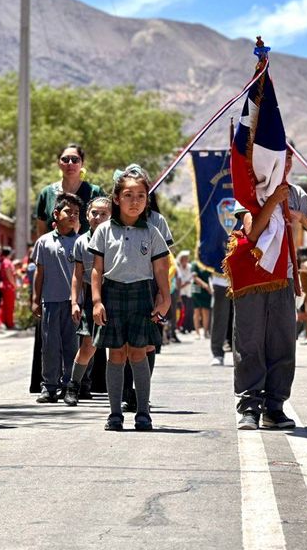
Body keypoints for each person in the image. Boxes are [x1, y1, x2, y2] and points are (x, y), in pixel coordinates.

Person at [230, 165, 307, 431]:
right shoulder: (250, 193)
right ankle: (249, 407)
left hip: (284, 277)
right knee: (250, 342)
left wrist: (301, 219)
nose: (280, 164)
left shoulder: (297, 194)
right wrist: (272, 202)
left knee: (282, 343)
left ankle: (275, 407)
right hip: (254, 279)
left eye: (285, 158)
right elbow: (252, 233)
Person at [90, 168, 171, 431]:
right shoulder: (103, 230)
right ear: (116, 198)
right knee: (115, 353)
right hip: (112, 294)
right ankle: (114, 414)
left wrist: (165, 299)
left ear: (147, 199)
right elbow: (96, 269)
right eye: (128, 195)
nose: (134, 201)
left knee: (138, 352)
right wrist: (96, 301)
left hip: (141, 295)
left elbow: (160, 269)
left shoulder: (152, 232)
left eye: (140, 195)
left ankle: (143, 412)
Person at [32, 192, 83, 404]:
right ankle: (49, 387)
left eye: (76, 213)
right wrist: (36, 298)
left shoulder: (81, 242)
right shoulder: (43, 242)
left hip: (73, 304)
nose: (72, 216)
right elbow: (39, 272)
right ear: (56, 214)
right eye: (68, 211)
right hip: (50, 301)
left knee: (72, 346)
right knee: (50, 345)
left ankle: (69, 386)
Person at [65, 196, 112, 405]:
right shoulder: (81, 242)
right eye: (94, 213)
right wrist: (74, 301)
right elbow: (77, 274)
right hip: (90, 299)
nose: (98, 217)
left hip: (115, 295)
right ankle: (73, 386)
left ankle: (126, 391)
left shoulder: (116, 239)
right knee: (87, 346)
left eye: (104, 213)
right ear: (87, 215)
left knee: (123, 348)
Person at [191, 260, 213, 340]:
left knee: (206, 311)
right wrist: (205, 285)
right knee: (197, 311)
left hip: (207, 291)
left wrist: (209, 287)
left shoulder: (209, 263)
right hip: (197, 290)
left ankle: (205, 332)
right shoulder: (195, 264)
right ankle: (197, 333)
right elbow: (194, 277)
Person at [0, 246, 17, 330]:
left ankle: (3, 322)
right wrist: (14, 285)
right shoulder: (7, 262)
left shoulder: (4, 261)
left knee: (5, 305)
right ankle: (9, 323)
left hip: (5, 285)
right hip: (8, 285)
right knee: (9, 306)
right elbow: (9, 275)